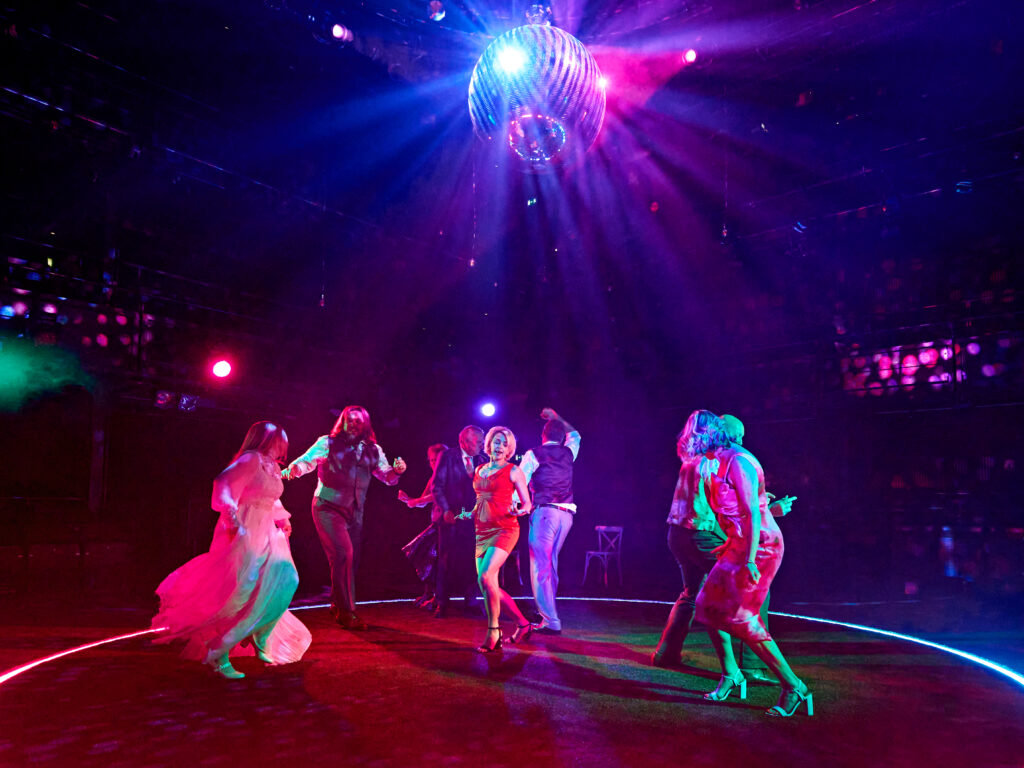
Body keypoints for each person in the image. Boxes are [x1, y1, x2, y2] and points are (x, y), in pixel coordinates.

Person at [152, 421, 312, 679]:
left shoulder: (271, 466)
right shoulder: (251, 459)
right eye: (278, 440)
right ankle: (219, 651)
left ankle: (259, 635)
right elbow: (223, 483)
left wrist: (282, 518)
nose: (282, 446)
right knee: (241, 591)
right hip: (246, 528)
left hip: (267, 530)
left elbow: (268, 495)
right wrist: (231, 517)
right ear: (265, 440)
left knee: (285, 580)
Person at [682, 410, 813, 717]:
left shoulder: (738, 461)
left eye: (694, 436)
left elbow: (753, 513)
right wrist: (732, 542)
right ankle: (732, 674)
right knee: (706, 606)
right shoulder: (715, 462)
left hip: (762, 547)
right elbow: (736, 511)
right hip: (738, 545)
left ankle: (794, 687)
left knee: (743, 618)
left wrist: (750, 559)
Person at [283, 406, 407, 630]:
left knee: (349, 560)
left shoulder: (374, 450)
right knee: (344, 554)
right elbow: (306, 461)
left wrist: (397, 472)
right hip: (327, 507)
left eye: (358, 421)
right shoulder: (327, 442)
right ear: (343, 422)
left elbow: (386, 477)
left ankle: (337, 604)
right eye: (350, 420)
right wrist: (295, 469)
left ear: (365, 424)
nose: (354, 424)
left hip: (355, 511)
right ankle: (347, 612)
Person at [457, 426, 535, 652]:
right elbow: (481, 499)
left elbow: (527, 503)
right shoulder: (479, 469)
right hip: (481, 530)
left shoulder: (513, 471)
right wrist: (469, 513)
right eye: (497, 442)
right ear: (489, 444)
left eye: (505, 444)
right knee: (487, 583)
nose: (500, 447)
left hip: (505, 529)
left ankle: (494, 631)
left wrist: (521, 510)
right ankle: (523, 624)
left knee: (486, 576)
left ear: (509, 449)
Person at [519, 407, 581, 635]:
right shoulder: (568, 452)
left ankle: (550, 620)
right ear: (561, 436)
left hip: (545, 513)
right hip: (566, 515)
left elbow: (520, 482)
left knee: (540, 566)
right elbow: (576, 435)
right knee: (549, 564)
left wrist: (515, 505)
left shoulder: (533, 454)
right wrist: (557, 417)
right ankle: (548, 614)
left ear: (542, 435)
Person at [429, 426, 487, 618]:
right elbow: (437, 486)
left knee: (473, 559)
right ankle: (442, 601)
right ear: (464, 442)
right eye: (478, 442)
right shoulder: (447, 457)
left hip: (474, 518)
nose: (482, 445)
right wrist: (445, 509)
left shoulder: (482, 460)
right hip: (451, 517)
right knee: (446, 560)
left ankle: (471, 600)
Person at [398, 442, 448, 608]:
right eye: (431, 460)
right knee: (424, 557)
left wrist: (417, 501)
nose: (433, 464)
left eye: (437, 460)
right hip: (435, 523)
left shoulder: (450, 476)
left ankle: (438, 597)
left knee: (438, 560)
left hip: (447, 525)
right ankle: (428, 593)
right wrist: (409, 500)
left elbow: (436, 496)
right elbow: (423, 501)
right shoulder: (433, 478)